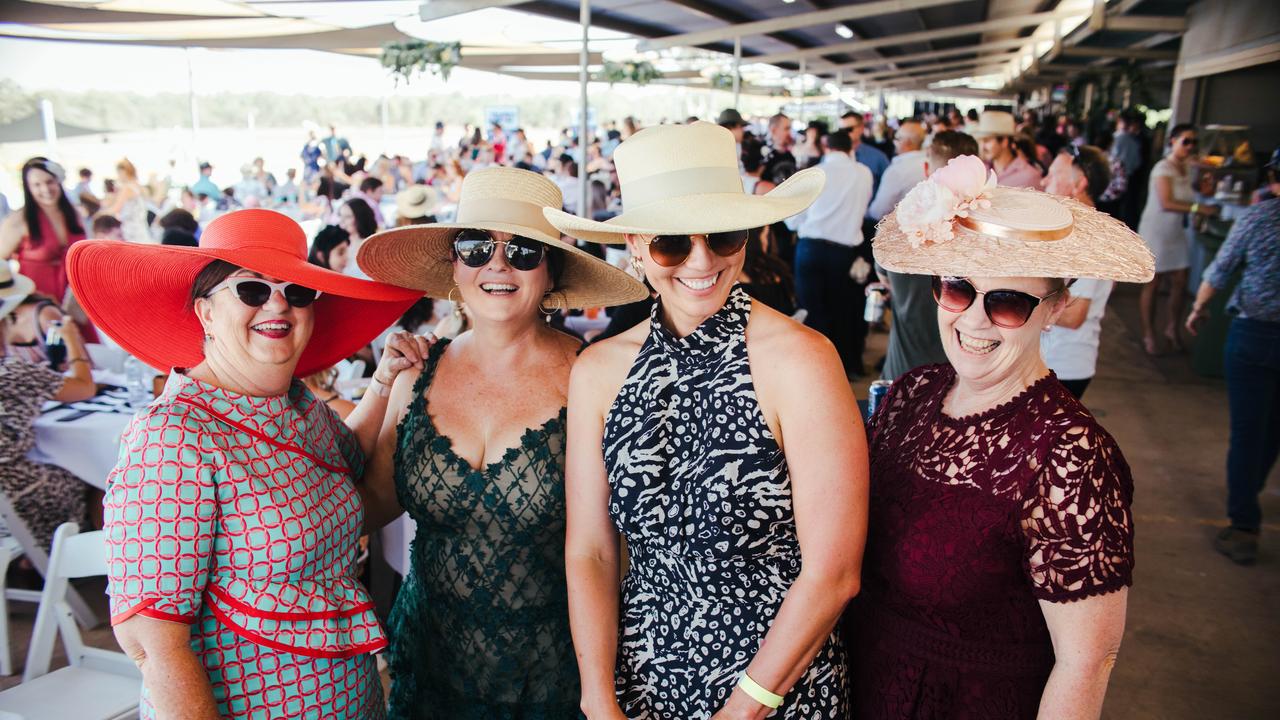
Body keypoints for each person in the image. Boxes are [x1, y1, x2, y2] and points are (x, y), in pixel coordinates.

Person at [546, 122, 867, 719]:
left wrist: (744, 708)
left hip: (779, 687)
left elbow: (834, 573)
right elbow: (590, 549)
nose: (702, 260)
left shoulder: (801, 359)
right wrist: (598, 696)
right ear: (635, 245)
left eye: (723, 235)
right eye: (672, 243)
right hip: (644, 685)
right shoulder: (599, 369)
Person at [65, 209, 423, 720]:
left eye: (296, 291)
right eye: (251, 289)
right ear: (205, 312)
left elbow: (351, 460)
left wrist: (385, 383)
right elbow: (153, 641)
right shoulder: (171, 436)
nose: (278, 303)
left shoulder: (298, 406)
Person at [857, 156, 1154, 718]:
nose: (973, 320)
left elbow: (1088, 660)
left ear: (1056, 308)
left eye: (1009, 302)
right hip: (866, 678)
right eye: (958, 288)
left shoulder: (1072, 456)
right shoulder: (910, 394)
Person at [356, 167, 647, 718]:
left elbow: (621, 547)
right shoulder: (415, 374)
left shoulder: (592, 378)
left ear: (552, 272)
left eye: (524, 251)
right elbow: (370, 503)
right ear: (454, 266)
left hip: (554, 677)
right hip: (429, 670)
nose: (497, 264)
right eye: (475, 247)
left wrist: (602, 693)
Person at [1186, 152, 1280, 566]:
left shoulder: (1260, 217)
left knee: (1247, 430)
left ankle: (1244, 523)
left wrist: (1198, 308)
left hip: (1254, 335)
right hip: (1257, 336)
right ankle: (1250, 489)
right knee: (1273, 427)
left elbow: (1219, 270)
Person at [0, 266, 95, 552]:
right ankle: (85, 563)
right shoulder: (13, 373)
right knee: (92, 472)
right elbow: (84, 387)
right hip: (17, 503)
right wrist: (71, 340)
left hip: (7, 503)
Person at [877, 130, 977, 381]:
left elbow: (885, 277)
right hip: (962, 376)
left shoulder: (899, 228)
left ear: (925, 168)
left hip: (903, 372)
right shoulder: (987, 237)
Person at [794, 128, 875, 376]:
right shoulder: (863, 173)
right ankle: (843, 368)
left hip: (811, 249)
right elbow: (865, 207)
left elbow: (793, 221)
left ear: (826, 148)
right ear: (851, 149)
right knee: (843, 310)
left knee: (812, 310)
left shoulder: (813, 174)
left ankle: (815, 370)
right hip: (844, 253)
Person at [1137, 123, 1219, 355]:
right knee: (1153, 283)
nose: (1191, 146)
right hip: (1157, 230)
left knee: (1180, 280)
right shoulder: (1163, 168)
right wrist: (1198, 208)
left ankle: (1172, 327)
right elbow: (1167, 202)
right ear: (1173, 141)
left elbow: (1202, 192)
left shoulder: (1188, 167)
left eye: (1194, 142)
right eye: (1186, 141)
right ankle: (1149, 333)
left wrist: (1206, 179)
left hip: (1176, 232)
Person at [1040, 145, 1115, 399]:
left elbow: (1073, 316)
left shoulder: (1092, 238)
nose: (1044, 181)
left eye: (1053, 175)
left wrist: (1018, 300)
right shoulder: (1067, 230)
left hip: (1062, 365)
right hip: (1048, 360)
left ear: (1078, 184)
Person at [0, 157, 87, 303]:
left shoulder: (74, 213)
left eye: (49, 182)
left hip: (77, 301)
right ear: (28, 188)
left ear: (58, 181)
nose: (45, 189)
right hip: (40, 306)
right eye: (37, 185)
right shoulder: (18, 221)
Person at [867, 120, 927, 221]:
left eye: (897, 138)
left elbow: (879, 211)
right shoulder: (930, 164)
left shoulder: (897, 171)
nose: (894, 142)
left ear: (907, 142)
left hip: (900, 228)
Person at [973, 111, 1043, 189]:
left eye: (987, 140)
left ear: (1004, 142)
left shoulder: (1029, 176)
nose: (982, 147)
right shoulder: (981, 170)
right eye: (981, 141)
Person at [102, 158, 152, 243]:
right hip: (141, 228)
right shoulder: (139, 187)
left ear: (123, 172)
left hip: (130, 230)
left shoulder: (127, 188)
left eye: (118, 173)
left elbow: (115, 209)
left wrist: (100, 214)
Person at [841, 112, 890, 197]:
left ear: (861, 128)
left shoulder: (878, 157)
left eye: (849, 129)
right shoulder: (833, 157)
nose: (844, 134)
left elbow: (889, 187)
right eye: (841, 130)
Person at [338, 198, 378, 279]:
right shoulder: (338, 243)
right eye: (340, 216)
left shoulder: (373, 246)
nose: (342, 221)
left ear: (360, 217)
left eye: (348, 217)